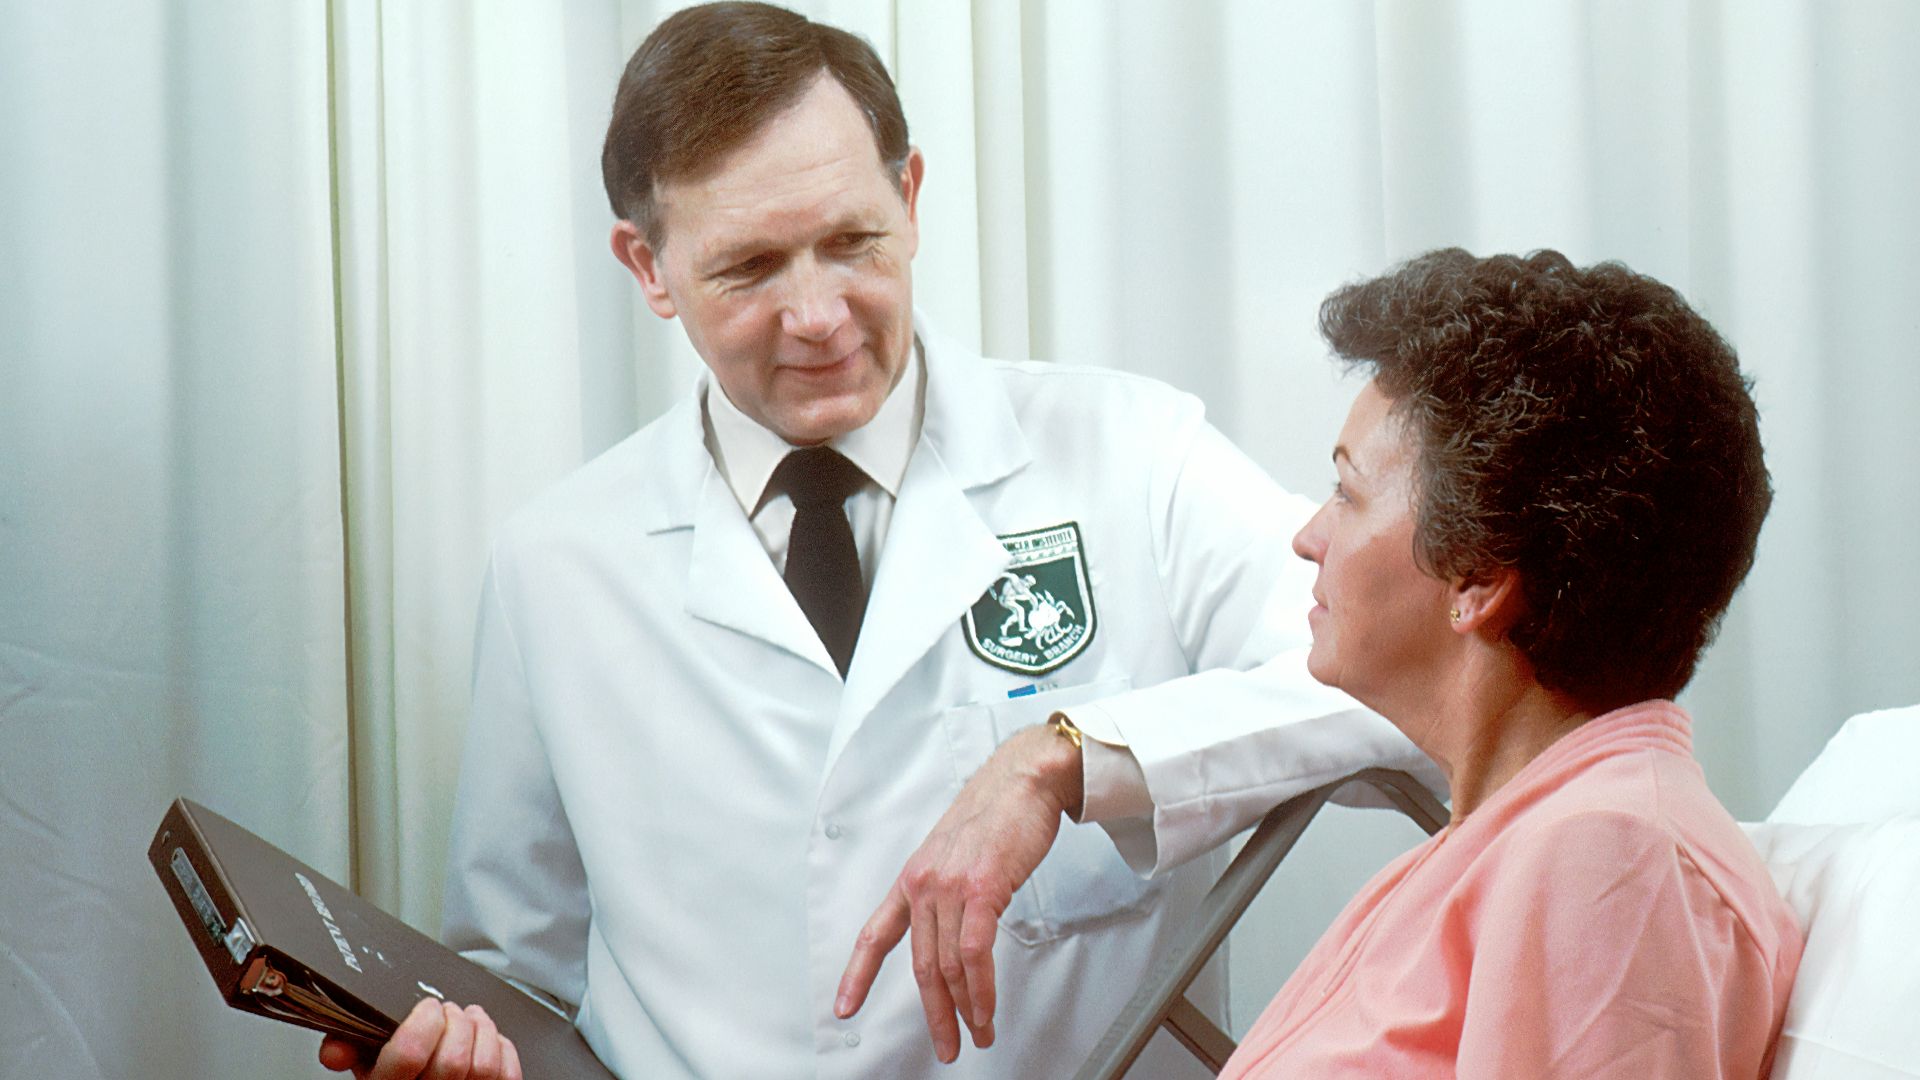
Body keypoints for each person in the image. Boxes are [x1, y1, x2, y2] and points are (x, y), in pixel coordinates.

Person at [320, 4, 1435, 1078]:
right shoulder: (554, 566)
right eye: (750, 268)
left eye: (852, 241)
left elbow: (1409, 683)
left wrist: (1069, 758)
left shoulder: (1133, 454)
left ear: (910, 197)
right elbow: (525, 979)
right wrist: (462, 1059)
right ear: (647, 267)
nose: (818, 316)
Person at [1214, 248, 1803, 1077]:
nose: (1309, 537)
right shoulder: (1505, 844)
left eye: (1348, 493)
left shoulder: (1612, 857)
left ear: (1480, 576)